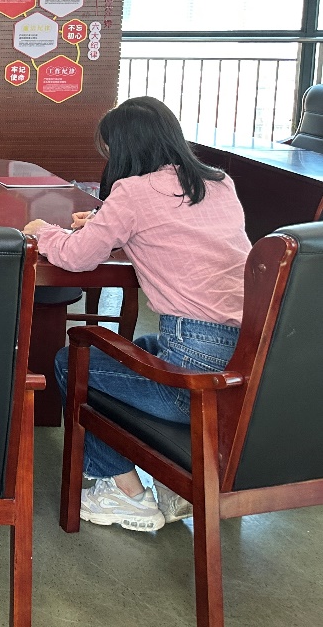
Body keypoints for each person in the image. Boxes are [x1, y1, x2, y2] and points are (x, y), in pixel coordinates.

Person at [23, 96, 252, 533]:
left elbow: (77, 257)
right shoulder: (218, 182)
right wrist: (107, 222)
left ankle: (125, 493)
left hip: (192, 376)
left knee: (74, 362)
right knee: (135, 349)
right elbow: (181, 232)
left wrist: (44, 232)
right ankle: (176, 484)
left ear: (125, 149)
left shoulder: (132, 192)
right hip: (245, 364)